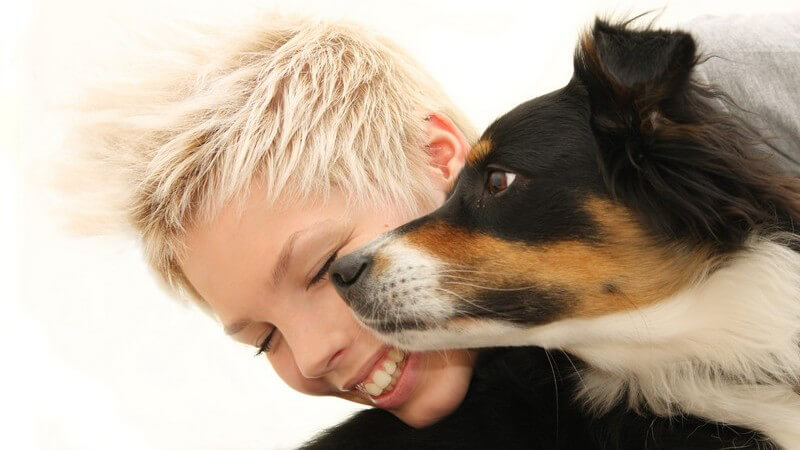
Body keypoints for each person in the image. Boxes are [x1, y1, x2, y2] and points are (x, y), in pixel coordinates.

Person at [66, 12, 790, 449]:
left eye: (323, 267)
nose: (315, 356)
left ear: (441, 159)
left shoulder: (725, 80)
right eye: (264, 341)